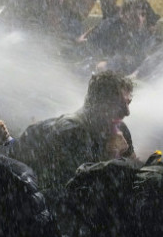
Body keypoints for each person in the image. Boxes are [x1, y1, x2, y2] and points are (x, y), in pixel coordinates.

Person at [10, 70, 136, 203]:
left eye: (128, 103)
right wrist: (110, 156)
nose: (127, 112)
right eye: (119, 105)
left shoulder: (121, 128)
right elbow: (73, 191)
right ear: (99, 104)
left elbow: (135, 171)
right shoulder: (71, 133)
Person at [80, 0, 160, 75]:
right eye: (134, 14)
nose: (140, 19)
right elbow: (87, 49)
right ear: (123, 14)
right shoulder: (108, 27)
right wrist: (99, 64)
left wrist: (137, 73)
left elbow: (143, 57)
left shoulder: (142, 33)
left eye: (142, 15)